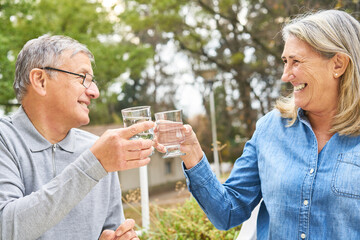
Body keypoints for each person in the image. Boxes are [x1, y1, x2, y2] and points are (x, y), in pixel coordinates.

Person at [177, 9, 360, 239]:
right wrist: (192, 153)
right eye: (285, 61)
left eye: (296, 62)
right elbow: (228, 212)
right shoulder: (270, 129)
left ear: (338, 64)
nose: (285, 75)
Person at [0, 35, 155, 239]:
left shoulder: (97, 149)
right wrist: (94, 164)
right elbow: (6, 228)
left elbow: (111, 228)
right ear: (40, 80)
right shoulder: (5, 139)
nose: (95, 92)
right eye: (83, 78)